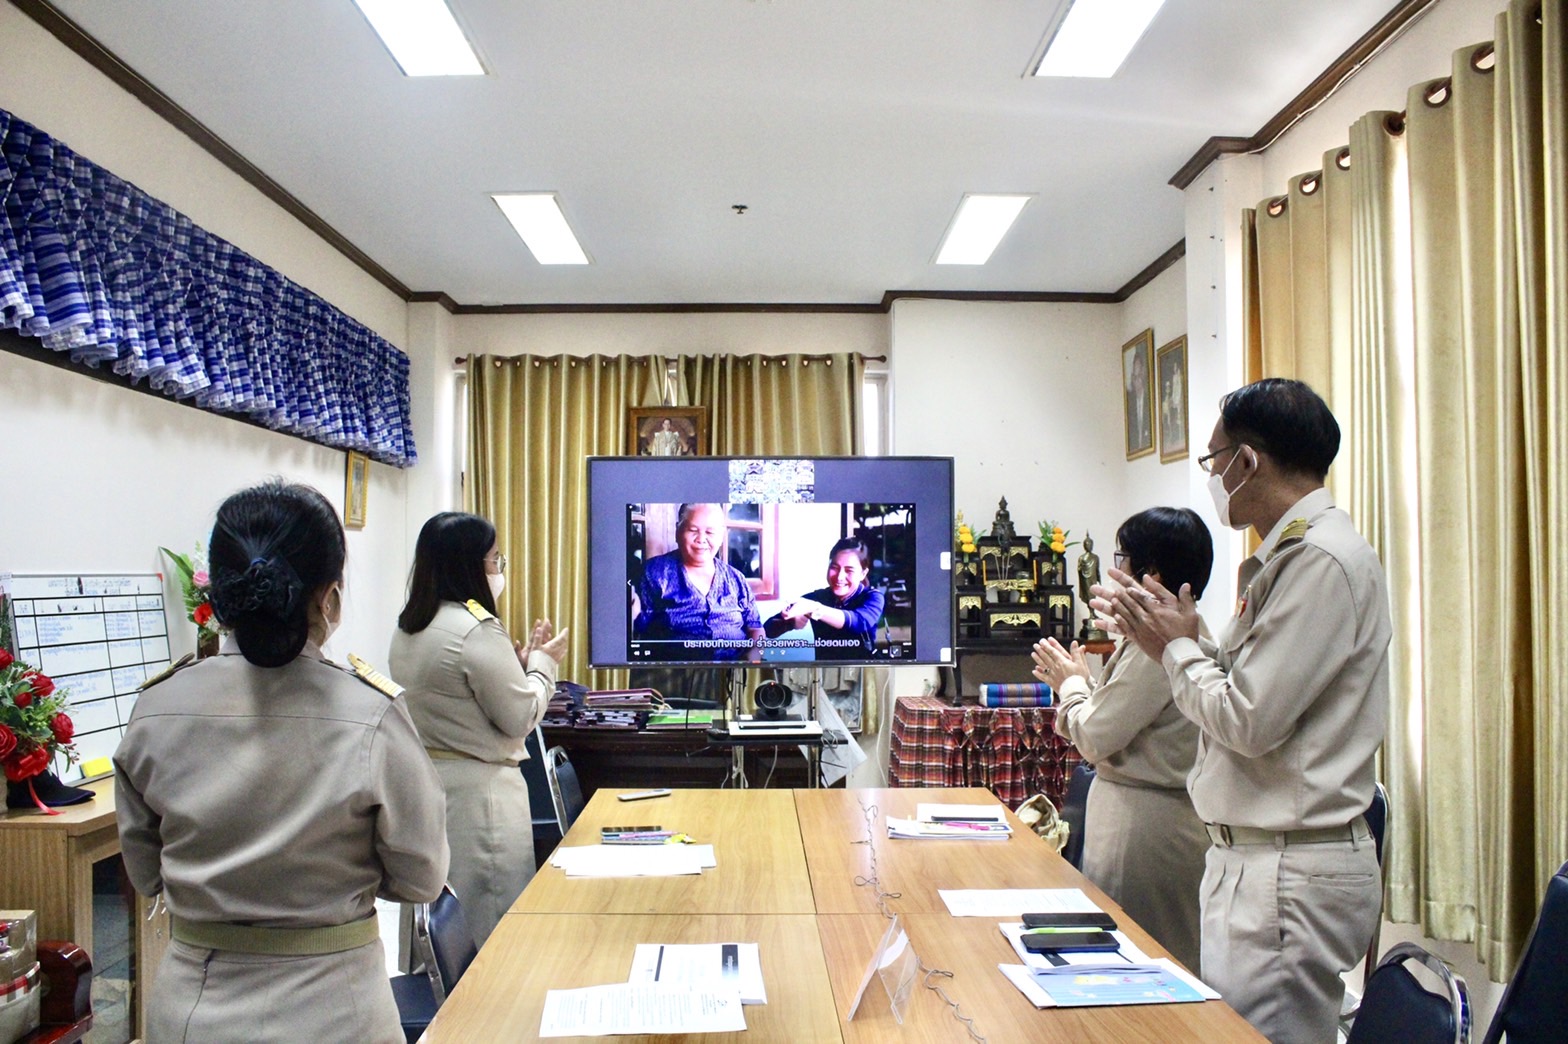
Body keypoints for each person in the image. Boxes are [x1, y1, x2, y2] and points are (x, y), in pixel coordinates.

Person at [1095, 378, 1388, 1043]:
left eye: (1212, 460)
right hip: (1252, 857)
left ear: (1246, 462)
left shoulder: (1320, 560)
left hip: (1287, 866)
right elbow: (1241, 689)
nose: (1211, 477)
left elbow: (1248, 721)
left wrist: (1174, 649)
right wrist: (1176, 641)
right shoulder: (1288, 556)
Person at [114, 481, 448, 1043]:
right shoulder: (372, 714)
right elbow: (421, 876)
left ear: (219, 596)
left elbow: (147, 874)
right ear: (331, 598)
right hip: (335, 1007)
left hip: (193, 1007)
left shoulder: (156, 708)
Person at [1031, 507, 1213, 972]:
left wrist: (1071, 684)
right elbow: (1115, 718)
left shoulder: (1162, 647)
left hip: (1148, 831)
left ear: (1150, 573)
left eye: (1122, 560)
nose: (1115, 573)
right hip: (1134, 816)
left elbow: (1094, 734)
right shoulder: (1157, 635)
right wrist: (1081, 688)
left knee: (1145, 967)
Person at [389, 512, 567, 946]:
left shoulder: (412, 624)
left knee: (445, 930)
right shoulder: (475, 628)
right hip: (482, 800)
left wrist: (516, 665)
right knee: (490, 932)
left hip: (432, 790)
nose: (498, 569)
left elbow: (461, 700)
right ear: (467, 564)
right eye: (494, 559)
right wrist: (544, 665)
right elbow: (520, 715)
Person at [632, 503, 763, 659]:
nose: (701, 539)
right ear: (678, 531)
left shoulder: (736, 578)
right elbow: (637, 629)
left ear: (721, 536)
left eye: (710, 532)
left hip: (734, 672)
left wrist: (753, 658)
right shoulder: (654, 572)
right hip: (675, 672)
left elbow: (756, 628)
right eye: (693, 530)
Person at [763, 537, 885, 659]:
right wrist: (788, 623)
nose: (840, 577)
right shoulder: (816, 598)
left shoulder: (873, 597)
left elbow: (859, 622)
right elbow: (767, 630)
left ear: (863, 573)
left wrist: (815, 609)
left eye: (849, 570)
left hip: (861, 674)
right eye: (834, 567)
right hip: (825, 674)